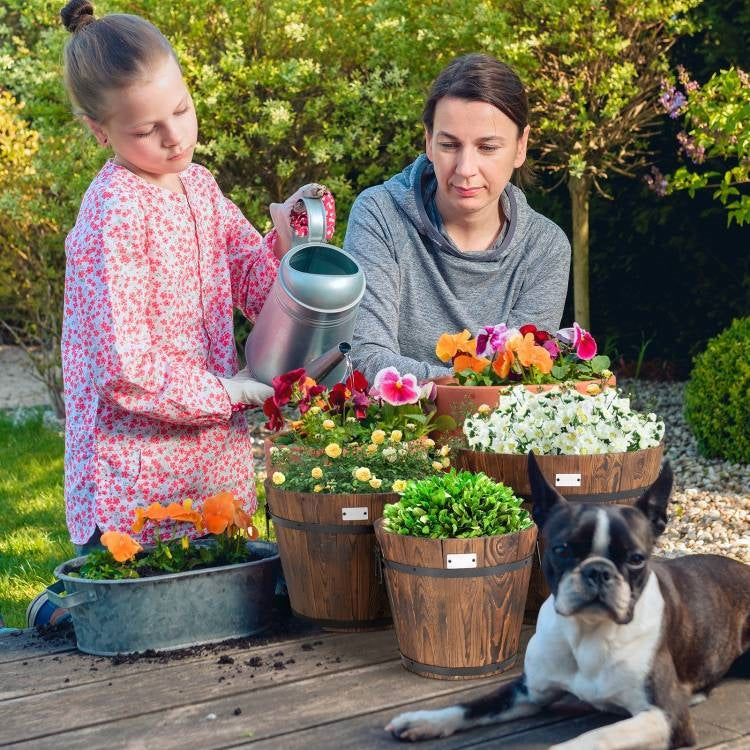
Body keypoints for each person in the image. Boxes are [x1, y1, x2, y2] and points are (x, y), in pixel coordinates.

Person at [56, 2, 336, 561]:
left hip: (208, 457)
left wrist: (294, 245)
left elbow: (256, 284)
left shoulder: (199, 187)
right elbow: (123, 370)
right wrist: (223, 392)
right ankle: (63, 608)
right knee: (141, 605)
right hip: (134, 465)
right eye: (146, 129)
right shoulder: (113, 213)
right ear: (98, 130)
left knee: (222, 600)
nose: (175, 137)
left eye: (182, 110)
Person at [344, 53, 570, 382]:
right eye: (449, 145)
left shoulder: (545, 248)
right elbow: (365, 356)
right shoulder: (380, 214)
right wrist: (467, 387)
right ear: (429, 143)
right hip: (390, 430)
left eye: (488, 147)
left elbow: (522, 376)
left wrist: (441, 387)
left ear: (520, 147)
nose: (465, 169)